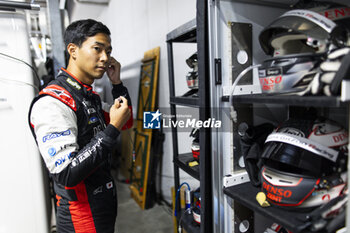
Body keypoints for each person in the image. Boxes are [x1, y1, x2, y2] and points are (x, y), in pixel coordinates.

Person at [28, 19, 133, 233]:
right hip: (81, 219)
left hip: (103, 207)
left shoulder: (87, 95)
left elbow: (126, 120)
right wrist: (111, 129)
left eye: (108, 50)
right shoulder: (53, 102)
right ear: (73, 50)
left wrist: (117, 85)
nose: (105, 58)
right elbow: (66, 174)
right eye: (97, 48)